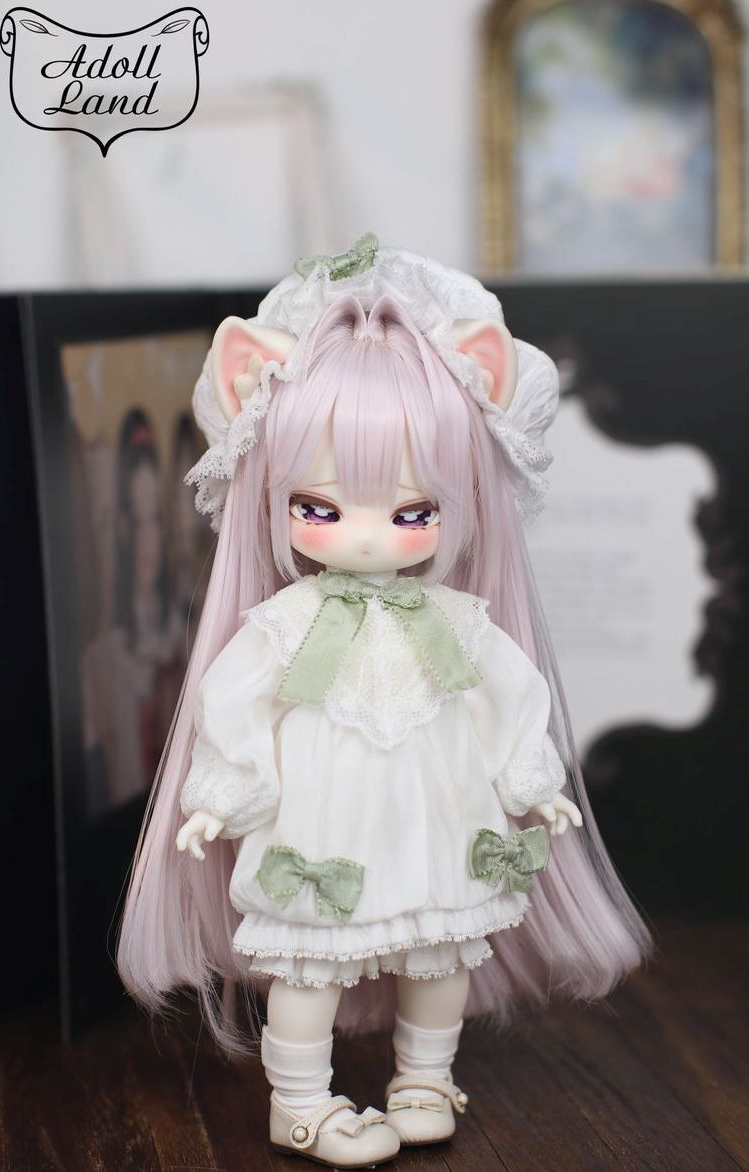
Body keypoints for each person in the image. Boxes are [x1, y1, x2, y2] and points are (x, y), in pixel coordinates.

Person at [117, 234, 650, 1168]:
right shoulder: (285, 624)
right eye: (320, 507)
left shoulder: (458, 621)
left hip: (434, 816)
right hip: (322, 821)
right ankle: (298, 1101)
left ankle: (424, 1078)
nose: (366, 537)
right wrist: (221, 794)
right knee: (309, 961)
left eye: (412, 513)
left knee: (439, 952)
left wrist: (532, 781)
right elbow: (236, 701)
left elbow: (506, 695)